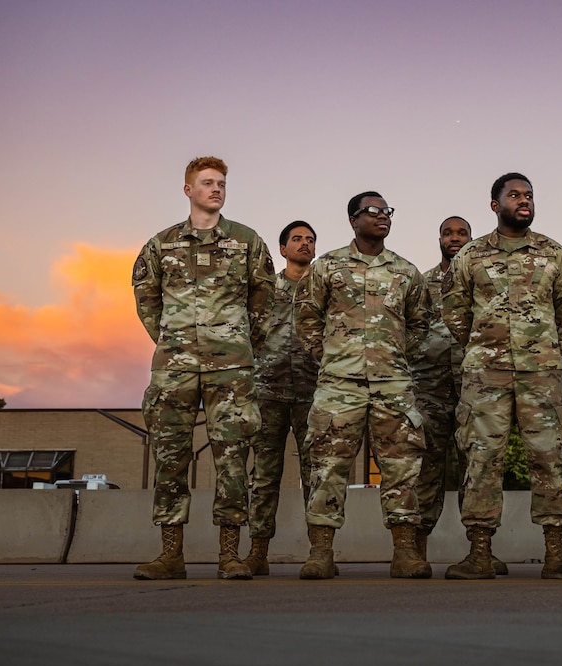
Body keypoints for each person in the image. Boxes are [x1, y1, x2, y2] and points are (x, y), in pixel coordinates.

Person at [132, 156, 275, 581]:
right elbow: (146, 299)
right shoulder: (161, 245)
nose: (216, 189)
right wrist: (173, 342)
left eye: (221, 183)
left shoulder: (247, 241)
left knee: (232, 458)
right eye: (207, 183)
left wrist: (238, 342)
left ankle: (229, 555)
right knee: (170, 456)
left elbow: (263, 301)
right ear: (188, 190)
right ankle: (170, 555)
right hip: (174, 369)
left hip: (231, 369)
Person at [441, 172, 562, 580]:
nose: (523, 201)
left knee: (549, 457)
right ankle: (480, 553)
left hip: (541, 373)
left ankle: (556, 553)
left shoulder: (554, 254)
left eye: (529, 195)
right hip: (485, 375)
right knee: (482, 458)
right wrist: (485, 345)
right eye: (514, 195)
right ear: (495, 205)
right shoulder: (470, 256)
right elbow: (455, 314)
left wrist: (543, 347)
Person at [294, 191, 432, 580]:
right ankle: (321, 552)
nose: (383, 216)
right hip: (340, 385)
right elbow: (306, 317)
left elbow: (420, 322)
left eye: (387, 211)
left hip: (393, 384)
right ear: (353, 220)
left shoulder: (405, 272)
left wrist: (397, 356)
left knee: (402, 467)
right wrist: (330, 358)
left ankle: (405, 553)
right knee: (327, 466)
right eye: (373, 211)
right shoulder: (327, 267)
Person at [414, 216, 512, 573]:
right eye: (448, 233)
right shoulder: (423, 283)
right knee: (426, 466)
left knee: (479, 465)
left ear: (472, 239)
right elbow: (409, 326)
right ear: (438, 238)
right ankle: (414, 550)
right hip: (430, 388)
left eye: (462, 233)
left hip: (476, 385)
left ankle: (481, 549)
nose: (454, 239)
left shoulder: (484, 280)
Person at [243, 220, 321, 576]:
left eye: (310, 240)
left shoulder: (324, 288)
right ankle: (258, 551)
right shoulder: (263, 289)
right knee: (264, 475)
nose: (304, 244)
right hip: (267, 391)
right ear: (283, 249)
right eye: (296, 239)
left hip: (312, 390)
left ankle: (320, 551)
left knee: (317, 474)